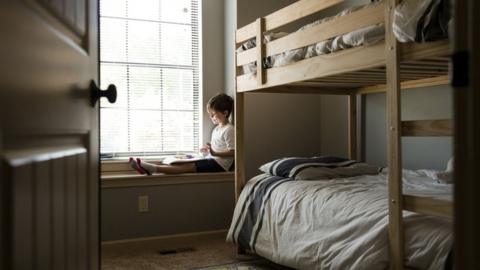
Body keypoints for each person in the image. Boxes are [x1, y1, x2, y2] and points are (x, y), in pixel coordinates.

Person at [129, 93, 235, 175]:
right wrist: (208, 151)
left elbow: (233, 152)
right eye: (210, 115)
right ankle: (148, 167)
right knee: (180, 163)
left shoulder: (229, 129)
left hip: (220, 164)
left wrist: (215, 153)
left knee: (185, 167)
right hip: (212, 159)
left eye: (213, 115)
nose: (212, 118)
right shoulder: (217, 129)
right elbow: (218, 148)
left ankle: (151, 169)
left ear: (225, 113)